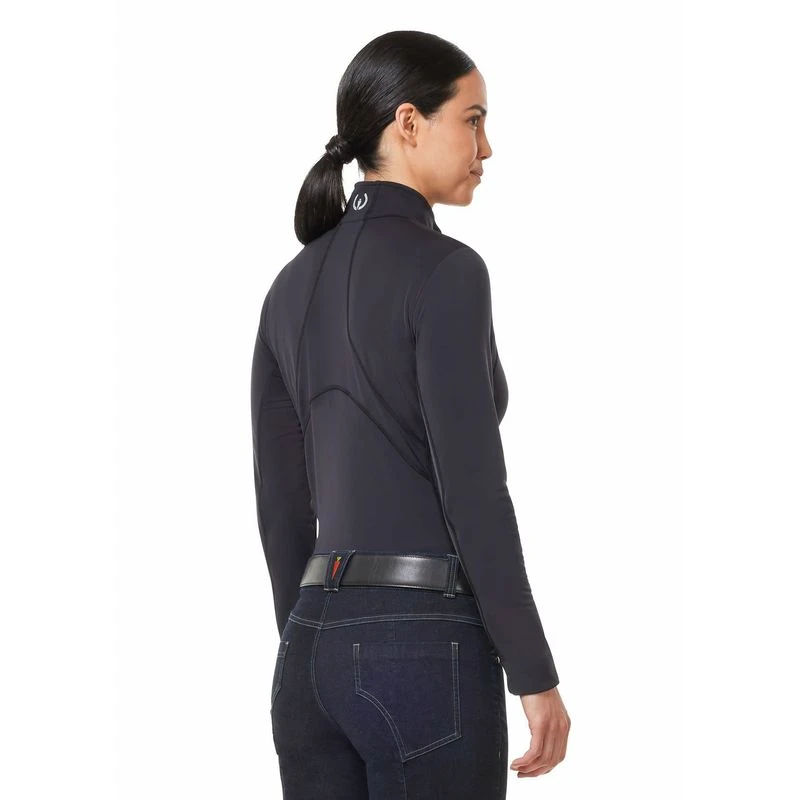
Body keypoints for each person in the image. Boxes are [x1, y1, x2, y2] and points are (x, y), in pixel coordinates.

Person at [250, 29, 570, 799]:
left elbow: (281, 506)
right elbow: (473, 490)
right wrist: (533, 672)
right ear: (408, 123)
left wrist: (312, 641)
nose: (486, 147)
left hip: (307, 656)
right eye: (473, 120)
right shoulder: (447, 271)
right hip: (421, 650)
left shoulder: (288, 286)